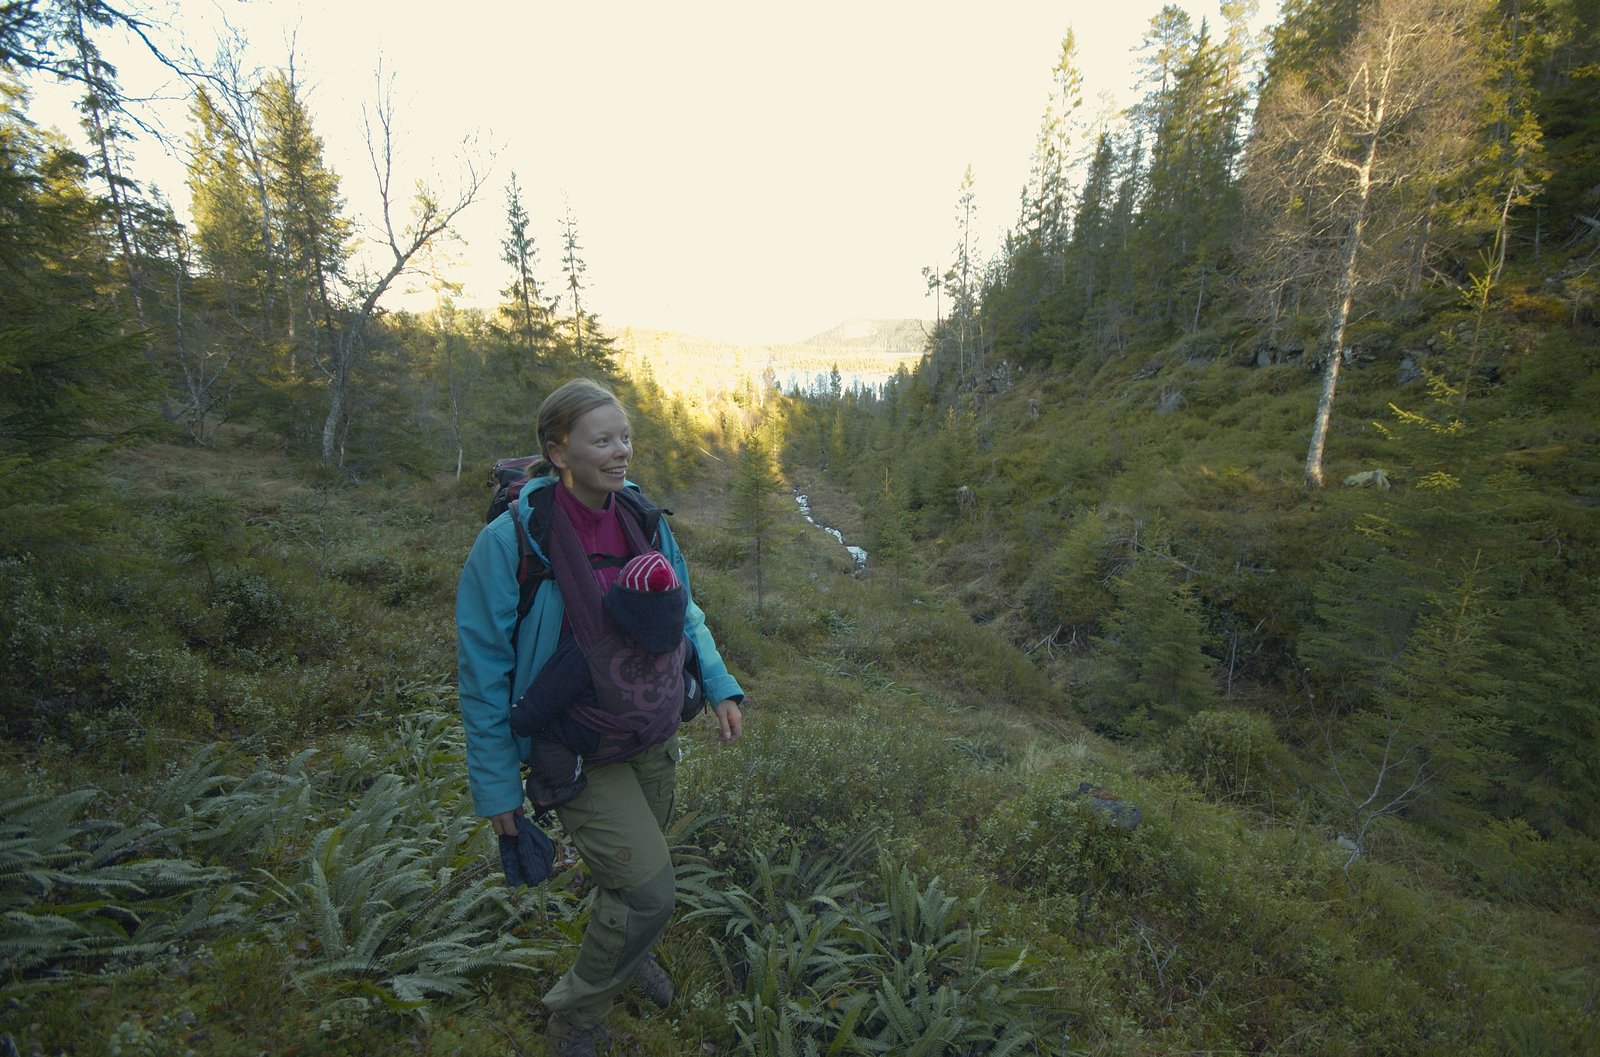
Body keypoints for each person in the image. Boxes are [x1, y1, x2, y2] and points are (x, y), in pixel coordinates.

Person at [456, 378, 745, 1057]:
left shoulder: (642, 517)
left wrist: (720, 683)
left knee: (632, 882)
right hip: (575, 748)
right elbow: (482, 671)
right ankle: (576, 1017)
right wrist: (497, 788)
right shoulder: (511, 542)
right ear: (559, 452)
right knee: (650, 890)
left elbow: (684, 610)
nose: (621, 452)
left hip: (651, 731)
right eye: (603, 440)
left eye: (626, 438)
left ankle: (626, 950)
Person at [509, 549, 697, 812]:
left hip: (633, 742)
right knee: (554, 739)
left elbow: (534, 709)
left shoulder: (589, 645)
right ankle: (557, 786)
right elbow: (541, 702)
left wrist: (523, 716)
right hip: (605, 741)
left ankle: (557, 783)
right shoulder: (592, 647)